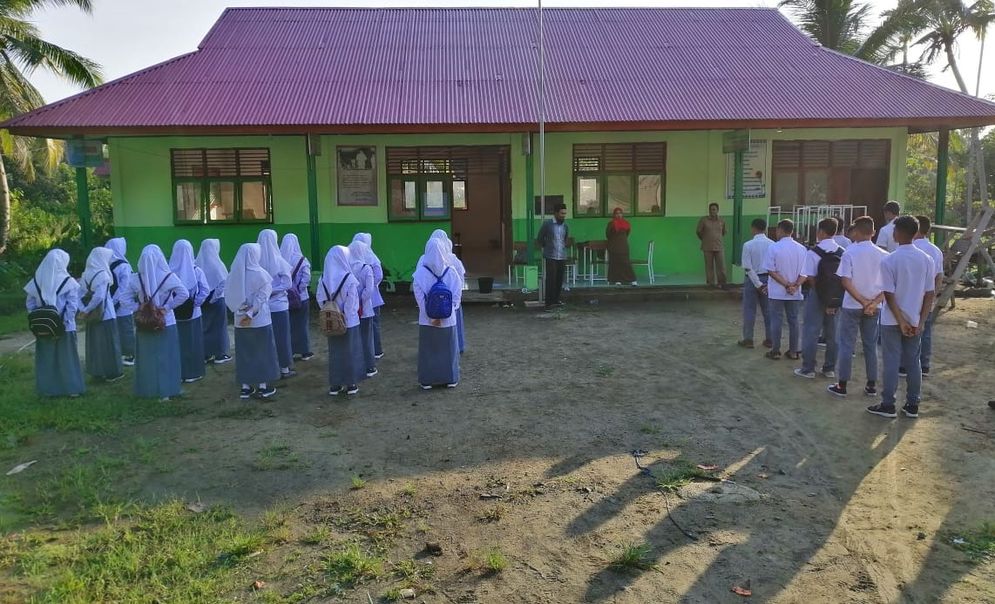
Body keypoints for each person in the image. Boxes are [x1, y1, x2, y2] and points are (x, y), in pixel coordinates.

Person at [867, 216, 935, 419]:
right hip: (915, 319)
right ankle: (913, 404)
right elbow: (929, 293)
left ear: (896, 233)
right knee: (914, 362)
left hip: (892, 320)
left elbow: (888, 294)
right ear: (915, 233)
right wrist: (920, 322)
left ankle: (888, 404)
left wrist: (900, 320)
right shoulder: (926, 259)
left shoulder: (890, 259)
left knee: (891, 361)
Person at [827, 217, 888, 398]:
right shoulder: (884, 255)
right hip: (875, 306)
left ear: (856, 232)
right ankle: (871, 385)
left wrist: (862, 301)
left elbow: (845, 281)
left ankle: (842, 384)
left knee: (847, 345)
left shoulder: (849, 253)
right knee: (870, 346)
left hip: (852, 305)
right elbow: (889, 286)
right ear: (873, 232)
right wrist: (873, 303)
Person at [128, 244, 188, 401]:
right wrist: (166, 308)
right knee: (167, 356)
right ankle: (167, 390)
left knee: (147, 357)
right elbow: (184, 294)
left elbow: (122, 298)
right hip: (165, 322)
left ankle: (147, 390)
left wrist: (138, 307)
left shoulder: (135, 278)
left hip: (144, 322)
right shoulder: (168, 277)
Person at [25, 249, 85, 397]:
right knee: (67, 358)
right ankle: (72, 389)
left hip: (44, 327)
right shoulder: (68, 282)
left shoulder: (36, 282)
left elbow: (30, 305)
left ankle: (48, 389)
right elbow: (72, 306)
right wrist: (64, 322)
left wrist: (42, 318)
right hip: (65, 327)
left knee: (46, 358)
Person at [226, 243, 279, 399]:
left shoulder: (233, 275)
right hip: (259, 320)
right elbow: (262, 298)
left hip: (239, 320)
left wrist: (241, 310)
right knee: (262, 351)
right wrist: (251, 313)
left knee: (245, 353)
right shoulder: (262, 275)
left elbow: (229, 296)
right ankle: (263, 386)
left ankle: (245, 387)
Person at [794, 218, 843, 379]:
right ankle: (829, 368)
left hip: (817, 294)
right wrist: (831, 299)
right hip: (836, 296)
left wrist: (821, 294)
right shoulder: (842, 252)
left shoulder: (814, 252)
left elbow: (810, 277)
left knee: (811, 331)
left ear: (821, 232)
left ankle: (808, 368)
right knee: (833, 333)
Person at [413, 238, 462, 389]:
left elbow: (420, 300)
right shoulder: (452, 272)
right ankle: (450, 379)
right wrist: (447, 313)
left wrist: (432, 317)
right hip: (449, 320)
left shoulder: (419, 274)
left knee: (428, 350)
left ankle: (427, 380)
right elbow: (456, 298)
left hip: (427, 321)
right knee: (449, 350)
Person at [316, 245, 364, 395]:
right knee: (350, 351)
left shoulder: (323, 278)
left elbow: (320, 299)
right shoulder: (349, 278)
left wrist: (331, 313)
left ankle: (335, 385)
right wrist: (345, 317)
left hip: (330, 322)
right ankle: (351, 384)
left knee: (334, 353)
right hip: (349, 323)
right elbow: (352, 304)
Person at [762, 219, 808, 360]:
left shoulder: (774, 248)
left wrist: (787, 285)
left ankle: (775, 350)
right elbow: (805, 272)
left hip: (777, 292)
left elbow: (771, 271)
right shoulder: (802, 249)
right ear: (792, 231)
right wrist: (795, 285)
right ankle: (794, 351)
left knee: (776, 320)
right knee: (794, 321)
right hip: (795, 292)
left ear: (780, 230)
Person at [79, 247, 124, 383]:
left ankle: (96, 371)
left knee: (95, 344)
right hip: (106, 315)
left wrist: (84, 309)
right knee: (109, 344)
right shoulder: (103, 275)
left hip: (92, 317)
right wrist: (88, 309)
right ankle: (112, 372)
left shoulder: (85, 274)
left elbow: (78, 295)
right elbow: (99, 297)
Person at [169, 240, 209, 384]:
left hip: (174, 313)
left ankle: (178, 371)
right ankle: (193, 372)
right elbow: (205, 290)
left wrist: (172, 305)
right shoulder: (196, 270)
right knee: (193, 343)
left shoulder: (169, 271)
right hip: (194, 313)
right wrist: (195, 304)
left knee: (177, 343)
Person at [257, 229, 295, 379]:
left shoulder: (256, 261)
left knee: (265, 338)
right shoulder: (280, 261)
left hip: (261, 306)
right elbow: (287, 283)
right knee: (282, 337)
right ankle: (284, 368)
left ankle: (267, 367)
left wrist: (265, 291)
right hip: (279, 305)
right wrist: (273, 290)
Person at [911, 216, 944, 378]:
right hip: (928, 294)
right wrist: (934, 295)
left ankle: (907, 364)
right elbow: (939, 276)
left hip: (910, 295)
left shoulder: (907, 248)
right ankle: (924, 364)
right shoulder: (935, 250)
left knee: (907, 330)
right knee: (926, 330)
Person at [426, 229, 467, 353]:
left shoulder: (426, 260)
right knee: (454, 323)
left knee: (434, 325)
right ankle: (458, 346)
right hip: (452, 298)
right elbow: (461, 279)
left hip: (433, 300)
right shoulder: (454, 260)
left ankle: (436, 350)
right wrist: (456, 297)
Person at [195, 238, 231, 364]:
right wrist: (214, 298)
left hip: (202, 300)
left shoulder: (197, 263)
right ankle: (220, 354)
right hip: (216, 301)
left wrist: (203, 298)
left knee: (204, 327)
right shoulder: (218, 264)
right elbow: (224, 282)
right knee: (219, 328)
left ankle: (205, 354)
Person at [739, 218, 773, 349]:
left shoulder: (748, 245)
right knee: (768, 311)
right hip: (769, 279)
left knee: (749, 310)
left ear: (753, 228)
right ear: (765, 228)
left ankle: (748, 339)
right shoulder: (772, 244)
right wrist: (764, 284)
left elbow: (747, 267)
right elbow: (773, 266)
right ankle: (770, 339)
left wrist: (757, 283)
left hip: (751, 280)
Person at [280, 233, 314, 361]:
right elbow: (306, 278)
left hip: (284, 299)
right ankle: (304, 351)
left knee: (288, 325)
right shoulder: (302, 260)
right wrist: (298, 291)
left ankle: (290, 350)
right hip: (301, 298)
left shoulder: (279, 259)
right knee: (301, 324)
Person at [352, 233, 386, 359]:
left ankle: (372, 350)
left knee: (364, 324)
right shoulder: (373, 258)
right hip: (372, 296)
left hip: (356, 297)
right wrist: (371, 286)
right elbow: (379, 275)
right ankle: (376, 351)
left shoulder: (351, 258)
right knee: (373, 324)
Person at [348, 239, 378, 378]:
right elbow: (369, 289)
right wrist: (361, 300)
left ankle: (356, 365)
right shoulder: (366, 268)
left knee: (354, 338)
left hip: (350, 310)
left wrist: (354, 302)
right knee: (367, 339)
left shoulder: (346, 266)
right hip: (365, 309)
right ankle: (369, 367)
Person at [106, 237, 136, 365]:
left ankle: (121, 353)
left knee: (117, 328)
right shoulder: (124, 265)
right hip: (122, 304)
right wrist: (115, 301)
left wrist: (110, 302)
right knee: (126, 328)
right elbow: (125, 287)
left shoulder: (106, 264)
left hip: (109, 303)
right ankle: (130, 355)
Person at [536, 203, 569, 310]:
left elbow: (565, 239)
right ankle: (548, 303)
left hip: (561, 256)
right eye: (561, 213)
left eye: (564, 213)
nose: (563, 216)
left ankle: (556, 300)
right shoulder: (547, 224)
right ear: (555, 213)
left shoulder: (565, 226)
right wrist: (547, 246)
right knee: (551, 279)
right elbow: (540, 238)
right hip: (551, 256)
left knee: (559, 279)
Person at [696, 202, 727, 288]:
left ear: (717, 210)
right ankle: (710, 284)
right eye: (711, 209)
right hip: (707, 246)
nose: (712, 211)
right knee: (709, 267)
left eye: (714, 209)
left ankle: (722, 284)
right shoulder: (703, 220)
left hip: (719, 246)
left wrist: (716, 238)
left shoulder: (722, 220)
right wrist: (705, 239)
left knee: (721, 267)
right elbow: (698, 232)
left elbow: (724, 232)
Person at [606, 207, 637, 286]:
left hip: (623, 246)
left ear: (622, 214)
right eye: (616, 213)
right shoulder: (611, 224)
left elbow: (627, 233)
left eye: (620, 213)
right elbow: (608, 234)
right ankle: (617, 280)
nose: (618, 215)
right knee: (615, 263)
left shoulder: (626, 223)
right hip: (613, 246)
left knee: (626, 262)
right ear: (614, 215)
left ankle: (632, 280)